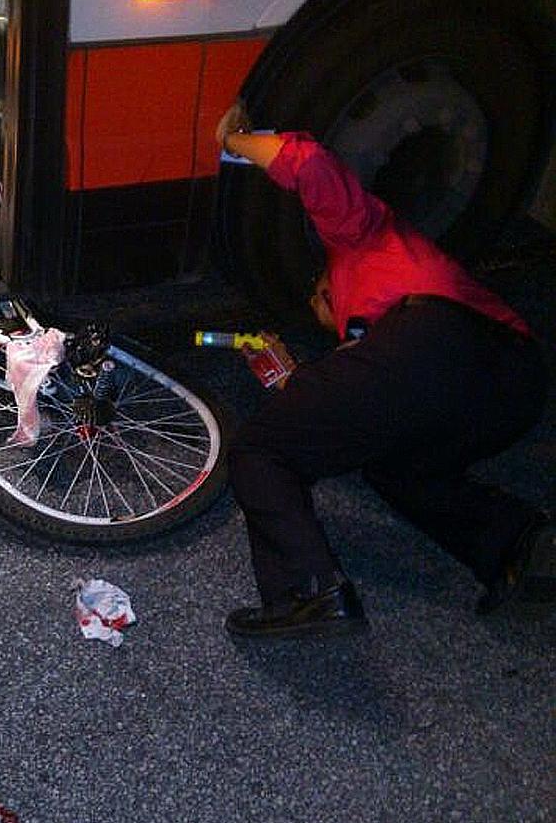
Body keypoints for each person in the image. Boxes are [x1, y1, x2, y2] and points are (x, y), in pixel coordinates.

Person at [216, 100, 554, 639]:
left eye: (317, 300)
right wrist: (297, 383)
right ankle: (520, 545)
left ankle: (307, 589)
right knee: (396, 469)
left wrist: (233, 140)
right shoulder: (371, 332)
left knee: (260, 449)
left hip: (434, 339)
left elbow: (310, 165)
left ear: (323, 283)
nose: (321, 312)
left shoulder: (355, 237)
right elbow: (354, 410)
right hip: (514, 383)